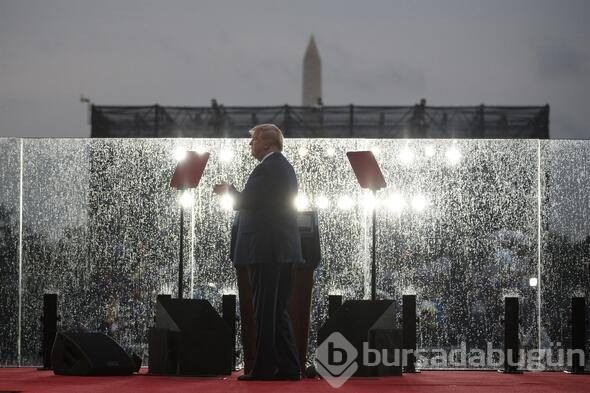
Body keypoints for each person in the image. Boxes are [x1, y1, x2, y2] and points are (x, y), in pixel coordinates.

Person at [213, 124, 303, 381]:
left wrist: (229, 191)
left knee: (265, 311)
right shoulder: (283, 167)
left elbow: (247, 202)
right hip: (281, 251)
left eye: (252, 140)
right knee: (277, 311)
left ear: (267, 143)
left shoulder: (266, 169)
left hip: (266, 251)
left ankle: (264, 368)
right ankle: (288, 367)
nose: (249, 144)